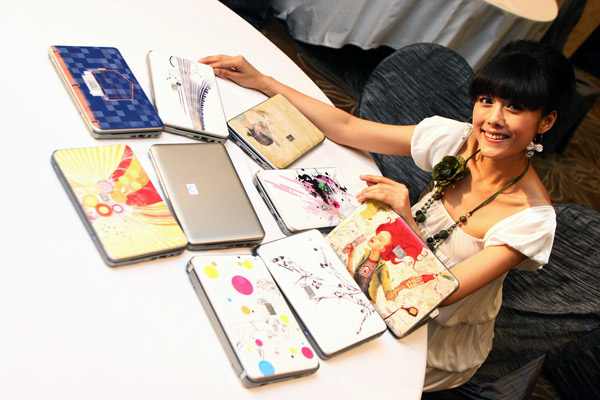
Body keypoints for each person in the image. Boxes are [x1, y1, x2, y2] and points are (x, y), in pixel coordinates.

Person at [200, 40, 576, 391]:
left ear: (545, 122)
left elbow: (438, 295)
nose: (493, 119)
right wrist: (263, 81)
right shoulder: (459, 139)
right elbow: (349, 128)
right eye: (486, 100)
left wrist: (405, 223)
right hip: (373, 266)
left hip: (429, 334)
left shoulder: (530, 221)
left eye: (515, 108)